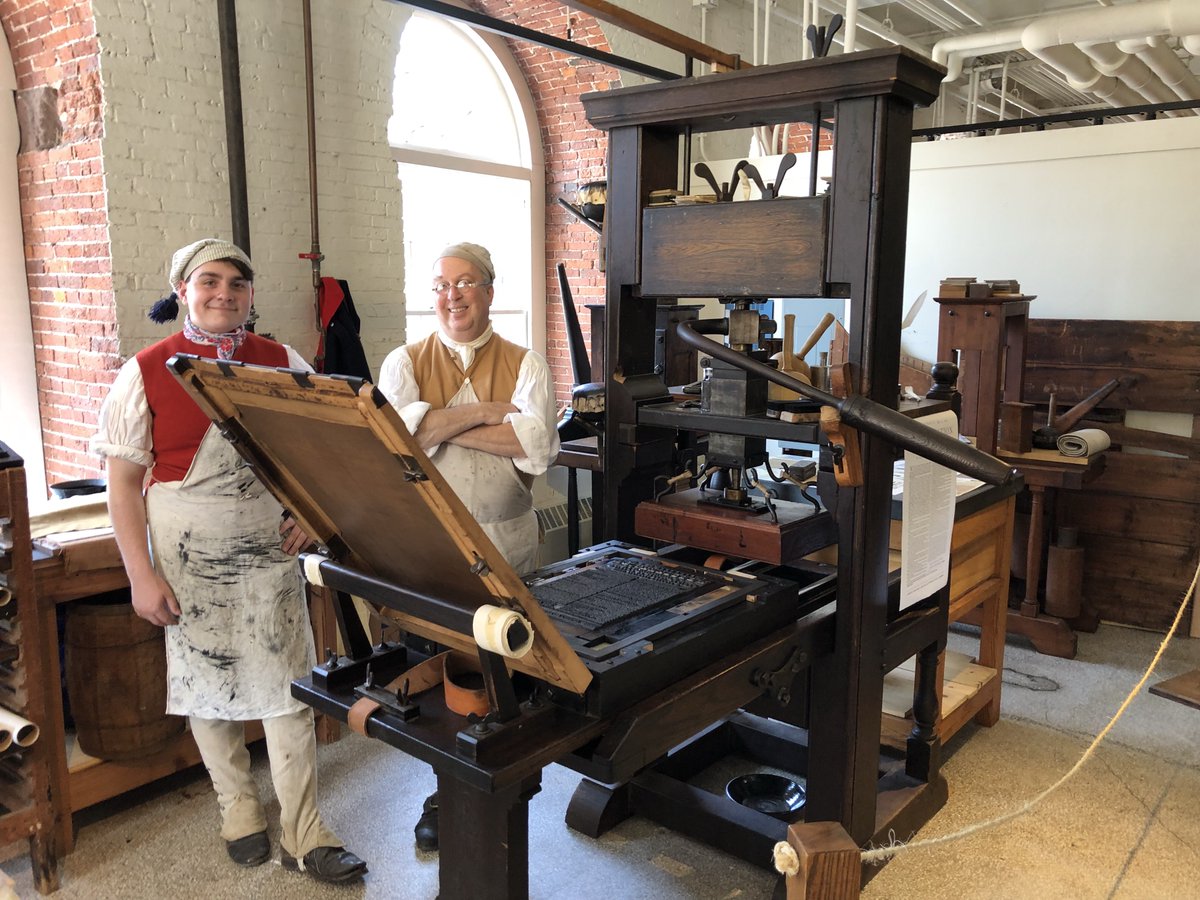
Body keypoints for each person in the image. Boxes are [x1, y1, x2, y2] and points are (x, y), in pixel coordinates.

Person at [92, 238, 367, 885]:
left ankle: (304, 832)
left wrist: (311, 511)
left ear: (250, 296)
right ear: (182, 289)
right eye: (208, 281)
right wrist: (140, 572)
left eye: (236, 284)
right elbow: (122, 483)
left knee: (289, 696)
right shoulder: (146, 371)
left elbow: (322, 447)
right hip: (190, 565)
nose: (223, 294)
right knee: (206, 693)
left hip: (269, 562)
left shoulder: (281, 360)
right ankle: (238, 810)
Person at [378, 242, 560, 850]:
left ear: (488, 291)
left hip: (506, 538)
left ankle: (510, 777)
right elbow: (397, 439)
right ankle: (443, 788)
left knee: (508, 663)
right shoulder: (403, 361)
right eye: (440, 285)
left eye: (465, 283)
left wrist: (438, 424)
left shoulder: (526, 361)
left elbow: (538, 447)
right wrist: (486, 415)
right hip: (432, 546)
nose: (451, 295)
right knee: (440, 667)